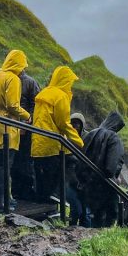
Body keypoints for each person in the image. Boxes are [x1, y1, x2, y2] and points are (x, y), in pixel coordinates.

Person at [0, 49, 31, 207]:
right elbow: (13, 105)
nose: (23, 69)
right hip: (7, 125)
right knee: (6, 164)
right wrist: (27, 116)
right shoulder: (13, 79)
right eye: (22, 66)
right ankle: (3, 199)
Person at [30, 66, 82, 203]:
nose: (71, 85)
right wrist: (79, 142)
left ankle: (41, 205)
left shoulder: (44, 92)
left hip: (37, 141)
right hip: (52, 143)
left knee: (40, 177)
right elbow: (63, 123)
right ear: (65, 81)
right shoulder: (61, 96)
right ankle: (52, 203)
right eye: (70, 82)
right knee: (55, 175)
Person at [79, 111, 126, 227]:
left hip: (88, 182)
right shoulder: (113, 137)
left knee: (93, 214)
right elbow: (111, 166)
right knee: (110, 214)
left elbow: (80, 157)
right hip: (104, 184)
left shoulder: (91, 134)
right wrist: (113, 175)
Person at [12, 70, 42, 200]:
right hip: (13, 128)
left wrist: (26, 124)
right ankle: (16, 192)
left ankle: (27, 192)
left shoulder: (30, 82)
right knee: (14, 162)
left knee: (26, 163)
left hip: (26, 130)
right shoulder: (10, 79)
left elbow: (36, 105)